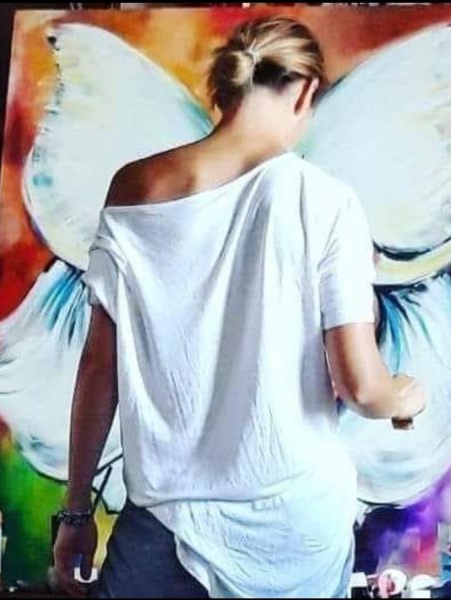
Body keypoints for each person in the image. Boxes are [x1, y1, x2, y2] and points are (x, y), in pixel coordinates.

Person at [53, 16, 426, 599]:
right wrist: (407, 395)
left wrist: (77, 513)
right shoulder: (326, 202)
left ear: (225, 87)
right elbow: (363, 388)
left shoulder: (134, 189)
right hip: (293, 534)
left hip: (163, 525)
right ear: (304, 92)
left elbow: (100, 368)